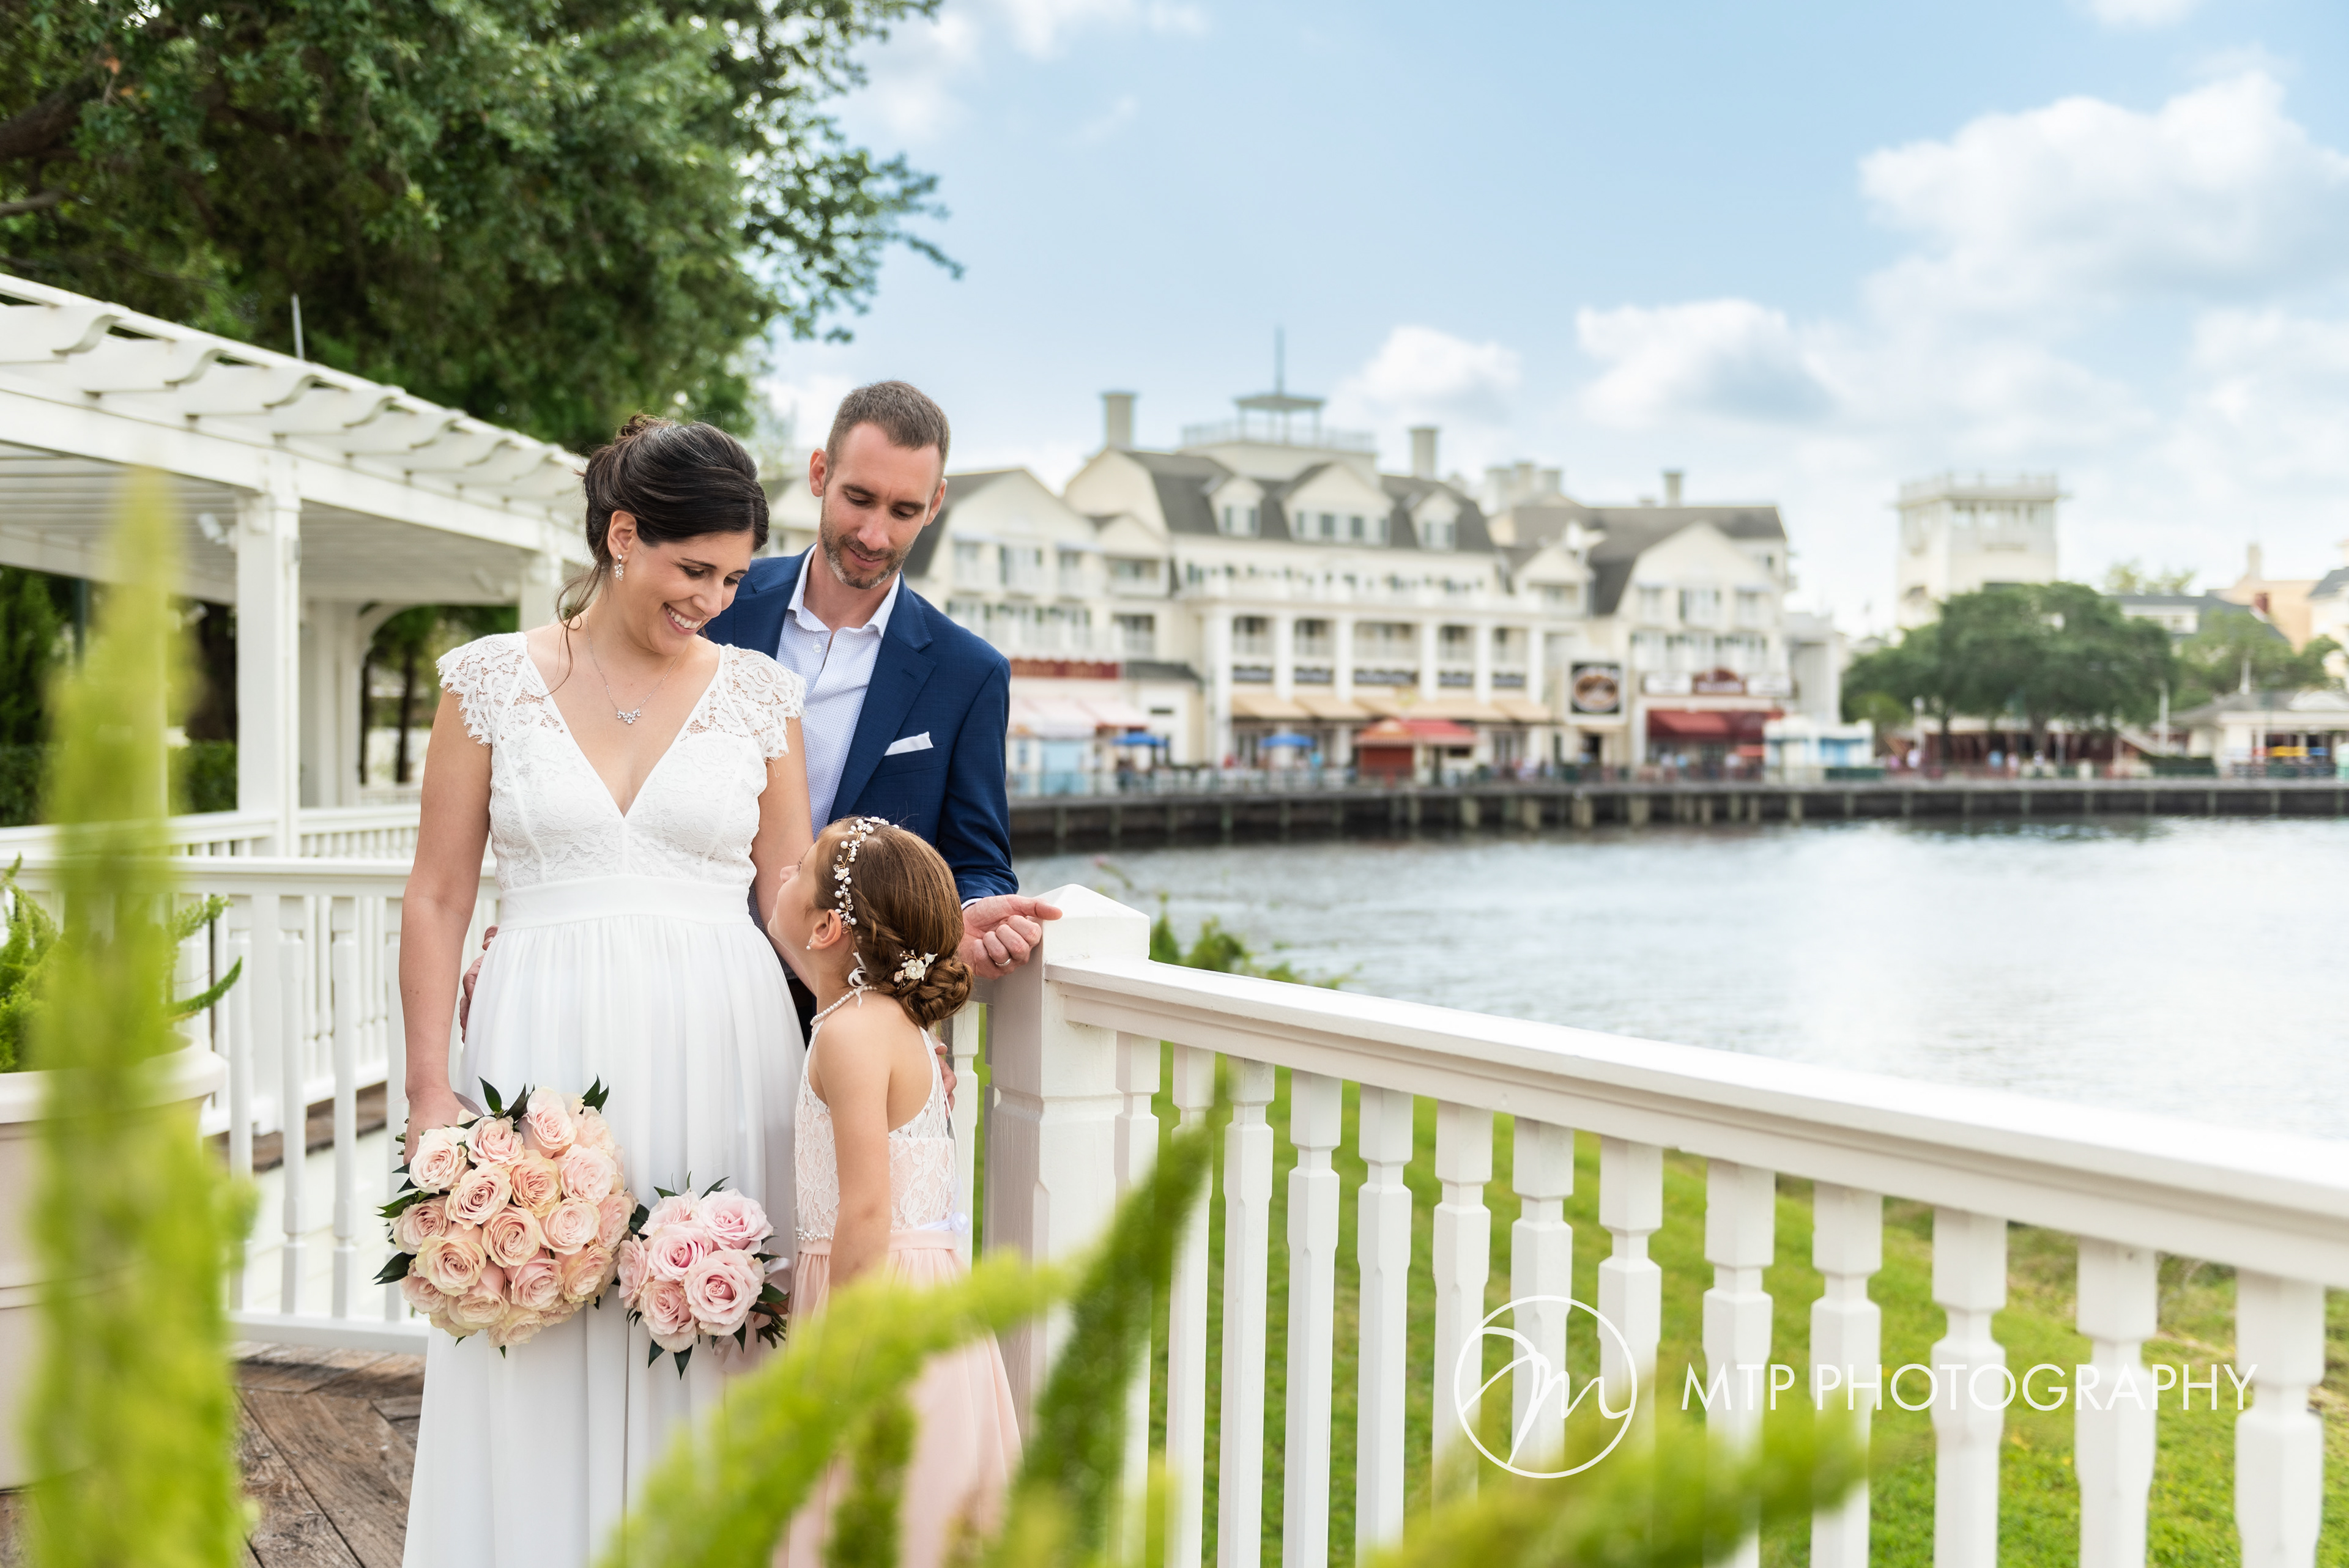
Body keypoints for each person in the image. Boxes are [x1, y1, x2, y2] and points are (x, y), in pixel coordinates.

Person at [399, 416, 812, 1568]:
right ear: (624, 536)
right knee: (533, 1316)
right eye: (695, 570)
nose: (713, 601)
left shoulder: (761, 696)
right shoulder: (488, 681)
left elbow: (794, 900)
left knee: (711, 1321)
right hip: (539, 1042)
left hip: (726, 1043)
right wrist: (430, 1088)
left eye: (733, 579)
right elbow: (438, 894)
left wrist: (899, 996)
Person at [701, 381, 1058, 1027]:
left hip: (855, 1004)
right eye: (859, 498)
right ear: (820, 473)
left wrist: (968, 909)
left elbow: (977, 857)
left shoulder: (970, 672)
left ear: (935, 504)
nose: (874, 533)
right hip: (695, 973)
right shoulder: (715, 604)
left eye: (904, 509)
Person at [767, 816, 1020, 1567]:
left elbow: (868, 1205)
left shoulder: (848, 1034)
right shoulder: (886, 1020)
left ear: (826, 927)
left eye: (799, 869)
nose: (782, 874)